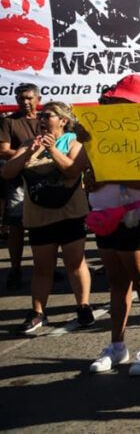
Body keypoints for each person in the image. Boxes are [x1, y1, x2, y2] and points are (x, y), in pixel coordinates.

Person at [85, 75, 140, 376]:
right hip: (104, 215)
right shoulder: (96, 133)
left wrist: (108, 177)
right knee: (117, 283)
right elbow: (81, 174)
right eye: (114, 99)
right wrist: (91, 178)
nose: (116, 104)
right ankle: (117, 346)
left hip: (139, 215)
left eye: (124, 101)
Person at [1, 101, 93, 334]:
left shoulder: (75, 141)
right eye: (41, 115)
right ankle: (38, 312)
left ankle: (83, 307)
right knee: (42, 267)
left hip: (70, 213)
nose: (42, 119)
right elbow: (7, 172)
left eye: (48, 115)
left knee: (75, 263)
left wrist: (52, 150)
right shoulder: (29, 143)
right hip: (39, 215)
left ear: (62, 120)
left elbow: (73, 170)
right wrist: (29, 152)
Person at [0, 83, 42, 290]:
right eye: (20, 99)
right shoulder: (9, 122)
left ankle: (43, 267)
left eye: (28, 98)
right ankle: (15, 269)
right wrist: (28, 154)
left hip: (44, 178)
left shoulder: (46, 119)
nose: (24, 102)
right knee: (17, 225)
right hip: (18, 179)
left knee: (42, 225)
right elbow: (3, 150)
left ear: (37, 99)